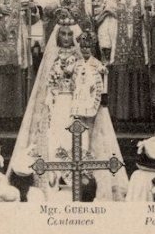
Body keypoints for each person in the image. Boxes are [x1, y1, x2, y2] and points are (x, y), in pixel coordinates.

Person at [8, 11, 128, 201]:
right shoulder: (52, 58)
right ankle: (55, 181)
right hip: (56, 107)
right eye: (62, 34)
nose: (65, 38)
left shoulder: (83, 59)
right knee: (56, 141)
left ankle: (80, 184)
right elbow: (46, 86)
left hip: (76, 107)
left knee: (80, 141)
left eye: (69, 35)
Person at [98, 0, 151, 120]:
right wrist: (105, 44)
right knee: (120, 77)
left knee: (136, 77)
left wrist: (149, 11)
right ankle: (119, 114)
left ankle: (137, 114)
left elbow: (148, 23)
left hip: (137, 43)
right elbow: (106, 22)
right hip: (118, 43)